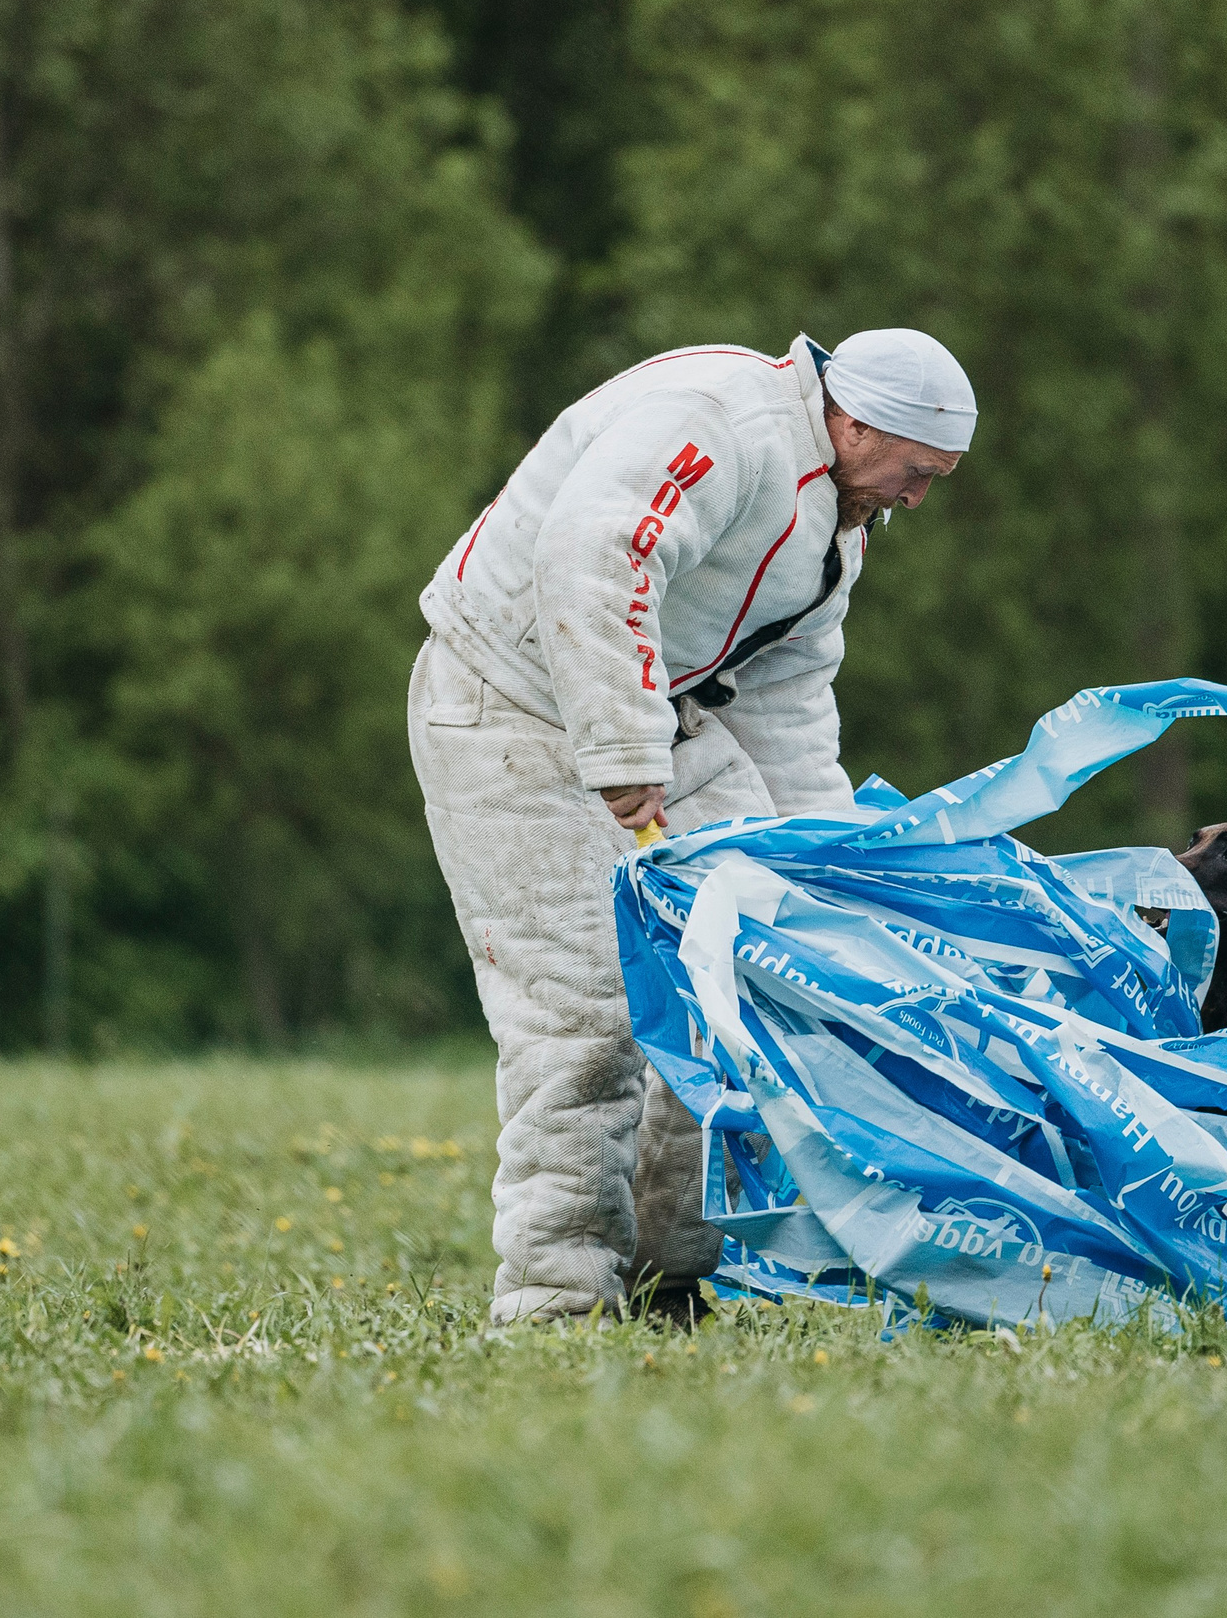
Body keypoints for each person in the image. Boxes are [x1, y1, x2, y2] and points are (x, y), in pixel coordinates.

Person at [406, 329, 974, 1323]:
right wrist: (625, 754)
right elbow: (596, 548)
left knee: (738, 979)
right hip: (508, 701)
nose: (917, 498)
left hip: (658, 715)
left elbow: (788, 698)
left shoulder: (835, 523)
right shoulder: (726, 422)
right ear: (855, 420)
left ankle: (669, 1276)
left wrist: (820, 869)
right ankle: (556, 1298)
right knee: (586, 1019)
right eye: (915, 471)